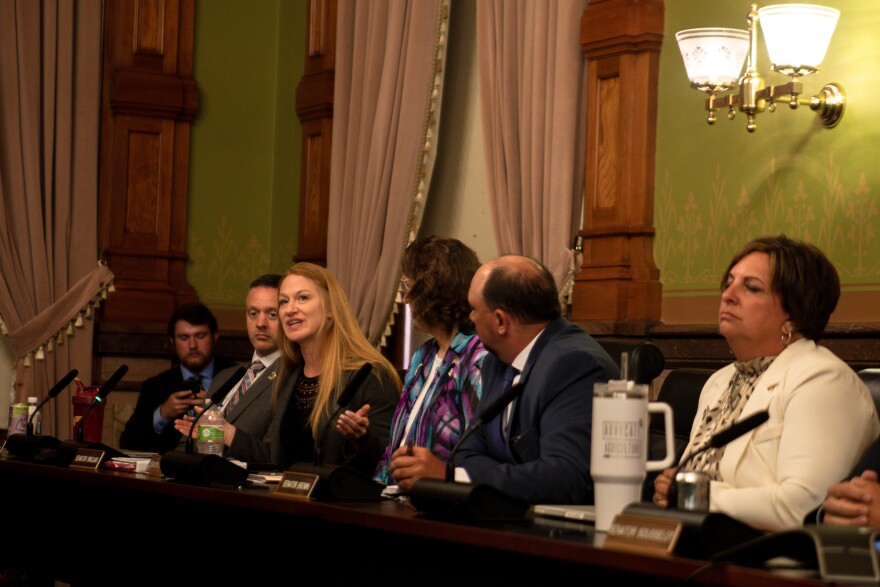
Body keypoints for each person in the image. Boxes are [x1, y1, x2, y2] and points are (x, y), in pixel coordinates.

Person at [653, 235, 880, 531]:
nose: (728, 295)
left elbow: (802, 506)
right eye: (729, 283)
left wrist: (692, 493)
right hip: (690, 543)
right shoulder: (719, 382)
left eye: (751, 287)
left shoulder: (823, 379)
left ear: (793, 316)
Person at [453, 255, 620, 504]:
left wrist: (461, 477)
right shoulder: (496, 364)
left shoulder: (574, 365)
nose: (471, 318)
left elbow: (563, 477)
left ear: (500, 321)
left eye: (474, 309)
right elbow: (466, 452)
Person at [226, 262, 402, 472]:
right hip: (284, 499)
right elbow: (275, 457)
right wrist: (227, 433)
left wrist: (362, 439)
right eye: (284, 301)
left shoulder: (369, 375)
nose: (290, 309)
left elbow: (388, 461)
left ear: (330, 309)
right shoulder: (289, 374)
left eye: (303, 298)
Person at [370, 236, 487, 490]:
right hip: (394, 497)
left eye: (408, 285)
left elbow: (478, 454)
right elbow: (398, 445)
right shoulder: (423, 355)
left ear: (432, 290)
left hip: (442, 504)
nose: (406, 299)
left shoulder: (477, 357)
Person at [173, 274, 282, 460]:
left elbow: (276, 457)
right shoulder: (226, 377)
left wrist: (229, 434)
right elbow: (192, 446)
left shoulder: (292, 379)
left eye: (272, 314)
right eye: (253, 314)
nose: (260, 323)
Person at [119, 302, 236, 453]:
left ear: (215, 337)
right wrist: (162, 414)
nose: (192, 345)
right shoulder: (154, 386)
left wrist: (217, 408)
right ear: (173, 342)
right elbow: (127, 443)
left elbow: (248, 439)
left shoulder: (236, 377)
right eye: (184, 337)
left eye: (200, 336)